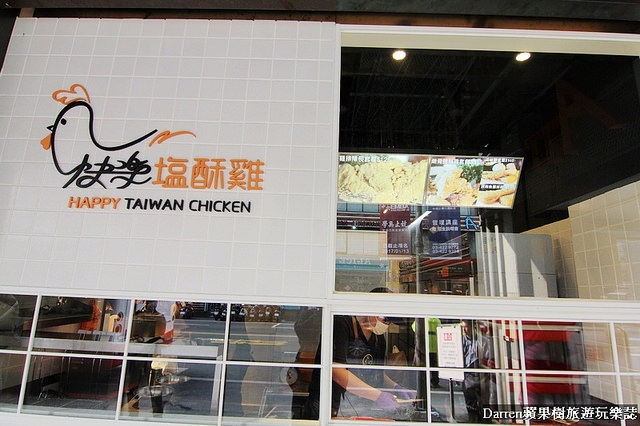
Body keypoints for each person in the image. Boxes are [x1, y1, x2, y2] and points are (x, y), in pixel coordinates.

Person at [304, 313, 415, 419]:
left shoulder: (378, 337)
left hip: (360, 409)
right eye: (385, 320)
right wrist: (378, 396)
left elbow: (375, 373)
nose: (386, 325)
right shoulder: (341, 324)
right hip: (329, 406)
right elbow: (336, 372)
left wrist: (395, 387)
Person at [460, 319, 494, 423]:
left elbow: (488, 359)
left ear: (472, 327)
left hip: (481, 377)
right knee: (471, 406)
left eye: (466, 327)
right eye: (463, 327)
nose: (464, 330)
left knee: (484, 405)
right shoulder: (460, 341)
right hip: (467, 377)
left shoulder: (483, 341)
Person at [428, 317, 441, 388]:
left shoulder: (424, 320)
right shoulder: (437, 321)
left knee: (426, 367)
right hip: (436, 348)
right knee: (435, 367)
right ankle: (435, 382)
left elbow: (414, 327)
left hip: (427, 348)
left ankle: (426, 382)